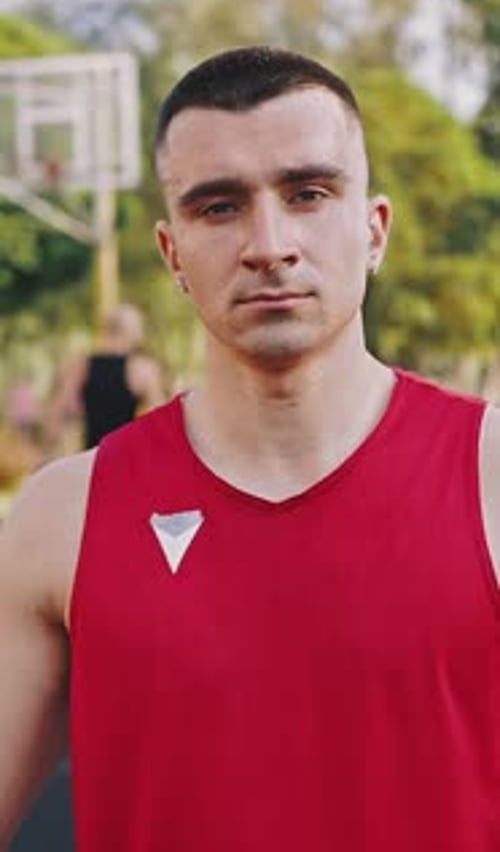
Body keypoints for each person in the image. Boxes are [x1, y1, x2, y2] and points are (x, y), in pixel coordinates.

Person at [1, 46, 499, 852]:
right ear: (172, 256)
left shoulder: (489, 477)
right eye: (219, 207)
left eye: (307, 193)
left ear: (373, 230)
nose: (269, 243)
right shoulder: (62, 520)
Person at [44, 302, 165, 450]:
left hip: (92, 457)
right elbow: (159, 422)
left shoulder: (81, 365)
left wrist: (50, 450)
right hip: (126, 457)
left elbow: (58, 410)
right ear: (134, 332)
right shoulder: (143, 369)